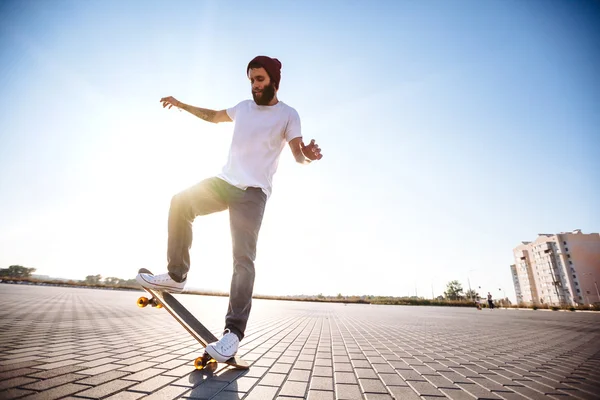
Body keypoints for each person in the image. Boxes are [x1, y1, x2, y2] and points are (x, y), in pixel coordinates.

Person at [136, 55, 323, 363]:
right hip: (224, 182)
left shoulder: (289, 115)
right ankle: (176, 274)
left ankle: (232, 334)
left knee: (242, 259)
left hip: (252, 193)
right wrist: (182, 105)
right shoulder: (243, 108)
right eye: (251, 80)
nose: (255, 86)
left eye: (260, 80)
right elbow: (213, 116)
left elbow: (298, 155)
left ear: (274, 80)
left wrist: (308, 156)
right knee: (181, 202)